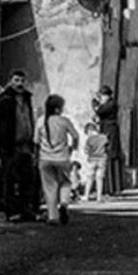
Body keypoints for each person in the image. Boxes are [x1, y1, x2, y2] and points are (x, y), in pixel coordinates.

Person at [0, 69, 38, 221]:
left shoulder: (27, 98)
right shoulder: (3, 99)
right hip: (10, 145)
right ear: (10, 81)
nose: (19, 84)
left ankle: (26, 210)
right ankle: (12, 211)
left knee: (28, 178)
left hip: (25, 145)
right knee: (10, 178)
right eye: (16, 80)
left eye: (22, 80)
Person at [36, 94, 79, 225]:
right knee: (65, 183)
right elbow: (75, 136)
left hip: (45, 158)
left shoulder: (40, 121)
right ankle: (64, 203)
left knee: (50, 188)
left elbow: (36, 141)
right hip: (62, 158)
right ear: (57, 109)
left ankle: (52, 216)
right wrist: (72, 148)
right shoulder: (64, 121)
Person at [92, 85, 122, 196]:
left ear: (107, 96)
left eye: (102, 96)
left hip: (110, 132)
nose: (102, 98)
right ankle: (109, 188)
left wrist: (95, 102)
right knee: (107, 158)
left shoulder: (111, 104)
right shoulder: (109, 104)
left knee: (111, 157)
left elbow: (99, 111)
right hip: (107, 130)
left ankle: (113, 188)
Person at [81, 122, 109, 202]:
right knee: (99, 178)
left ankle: (86, 196)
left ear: (89, 131)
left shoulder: (89, 140)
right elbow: (107, 146)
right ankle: (99, 197)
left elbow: (86, 150)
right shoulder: (103, 137)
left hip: (92, 159)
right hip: (102, 159)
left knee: (89, 178)